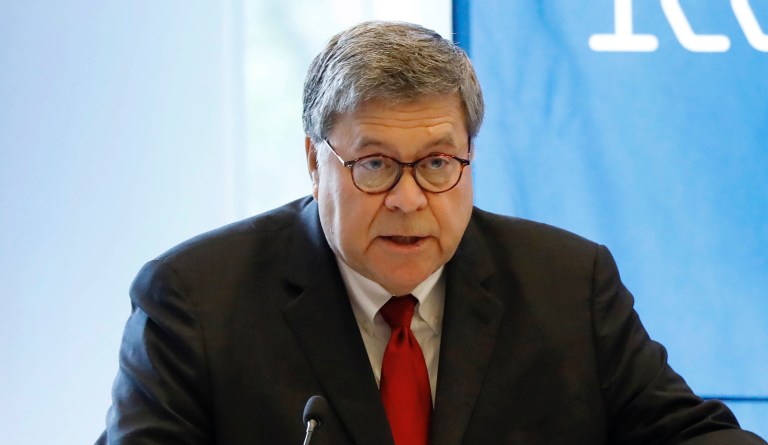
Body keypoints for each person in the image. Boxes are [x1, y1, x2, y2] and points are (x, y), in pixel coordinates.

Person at [97, 21, 766, 444]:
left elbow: (690, 434)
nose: (408, 198)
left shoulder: (567, 283)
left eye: (439, 163)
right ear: (314, 163)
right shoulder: (196, 301)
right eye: (375, 164)